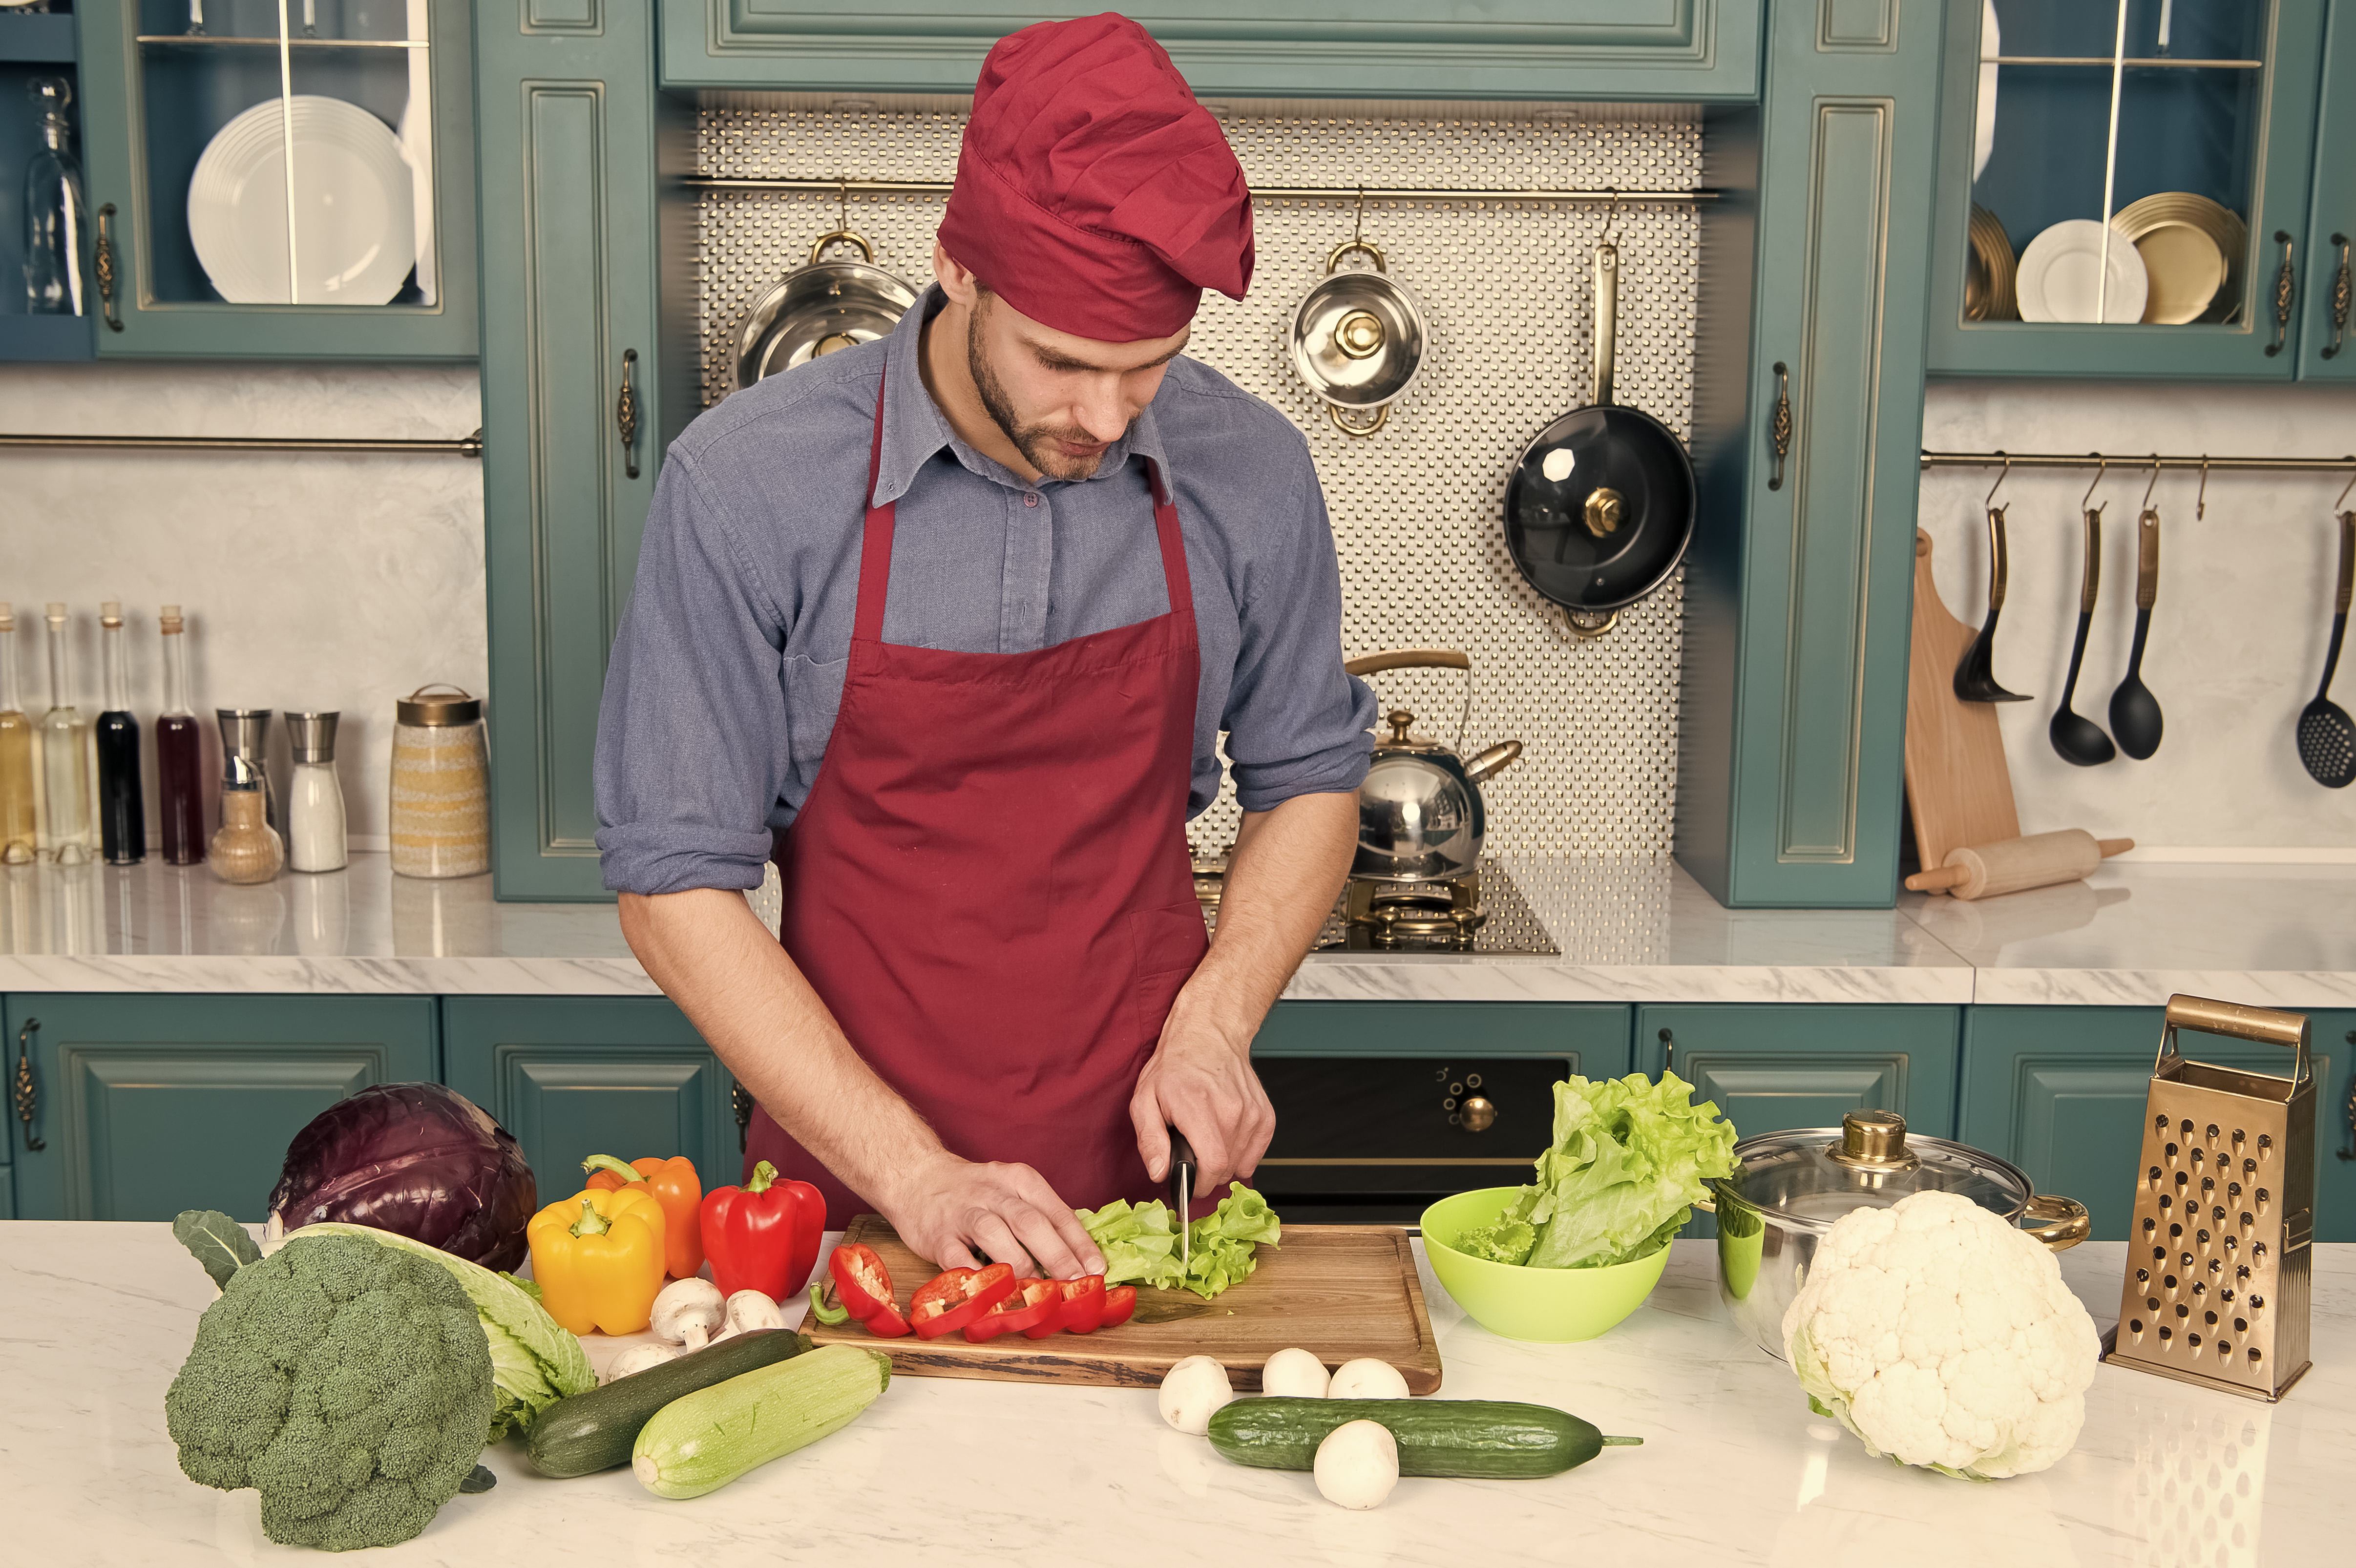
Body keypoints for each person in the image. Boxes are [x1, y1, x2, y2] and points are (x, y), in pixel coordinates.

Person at [594, 12, 1374, 1281]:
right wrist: (914, 1175)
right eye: (1065, 361)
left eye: (1152, 368)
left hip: (1153, 1210)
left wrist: (1220, 1024)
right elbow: (673, 887)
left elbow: (1310, 775)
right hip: (852, 1209)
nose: (1108, 417)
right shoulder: (747, 487)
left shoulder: (1253, 471)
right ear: (960, 269)